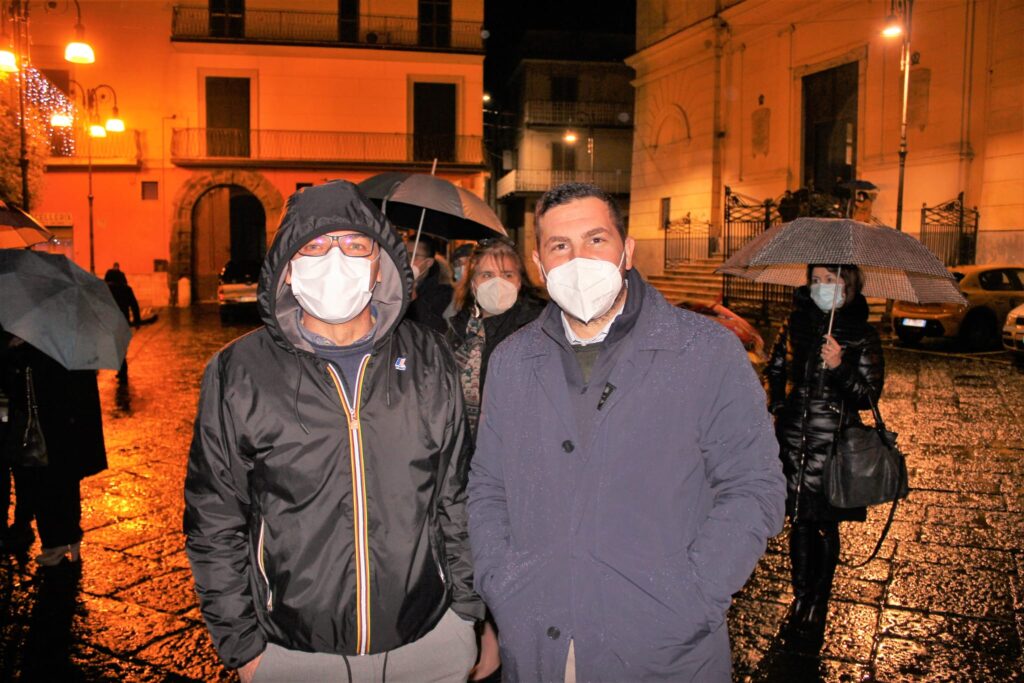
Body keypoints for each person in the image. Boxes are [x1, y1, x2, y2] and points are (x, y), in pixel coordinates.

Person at [467, 182, 786, 682]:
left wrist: (693, 594)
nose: (579, 259)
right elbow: (487, 486)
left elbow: (754, 487)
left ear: (627, 251)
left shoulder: (706, 353)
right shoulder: (511, 361)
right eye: (560, 246)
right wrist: (501, 583)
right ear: (539, 264)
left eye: (596, 240)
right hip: (540, 644)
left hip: (661, 651)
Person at [184, 180, 483, 683]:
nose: (335, 258)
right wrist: (242, 644)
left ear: (380, 262)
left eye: (354, 244)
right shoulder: (239, 372)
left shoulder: (433, 360)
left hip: (429, 639)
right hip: (294, 651)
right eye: (315, 245)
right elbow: (214, 518)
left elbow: (458, 496)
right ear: (288, 263)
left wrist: (466, 610)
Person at [764, 264, 884, 641]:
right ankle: (800, 598)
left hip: (833, 444)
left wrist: (839, 366)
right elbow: (777, 367)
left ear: (847, 284)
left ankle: (819, 603)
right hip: (794, 439)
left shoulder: (862, 333)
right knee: (798, 521)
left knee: (824, 523)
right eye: (816, 281)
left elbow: (867, 396)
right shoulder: (796, 322)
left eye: (830, 280)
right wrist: (780, 406)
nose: (821, 287)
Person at [0, 331, 107, 566]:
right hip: (65, 426)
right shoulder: (71, 340)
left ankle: (56, 545)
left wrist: (16, 351)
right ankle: (69, 540)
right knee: (64, 483)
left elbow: (22, 386)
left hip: (48, 426)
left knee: (48, 485)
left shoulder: (36, 345)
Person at [446, 238, 543, 436]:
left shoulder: (537, 327)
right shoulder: (458, 328)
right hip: (463, 447)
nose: (498, 283)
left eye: (507, 274)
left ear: (519, 282)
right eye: (487, 275)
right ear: (473, 283)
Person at [407, 234, 453, 334]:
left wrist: (414, 296)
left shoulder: (443, 292)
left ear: (428, 263)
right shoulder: (396, 284)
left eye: (412, 256)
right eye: (404, 254)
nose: (406, 261)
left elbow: (434, 329)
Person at [104, 269, 141, 383]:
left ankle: (122, 368)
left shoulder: (107, 289)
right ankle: (122, 368)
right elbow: (134, 305)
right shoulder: (127, 289)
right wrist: (137, 320)